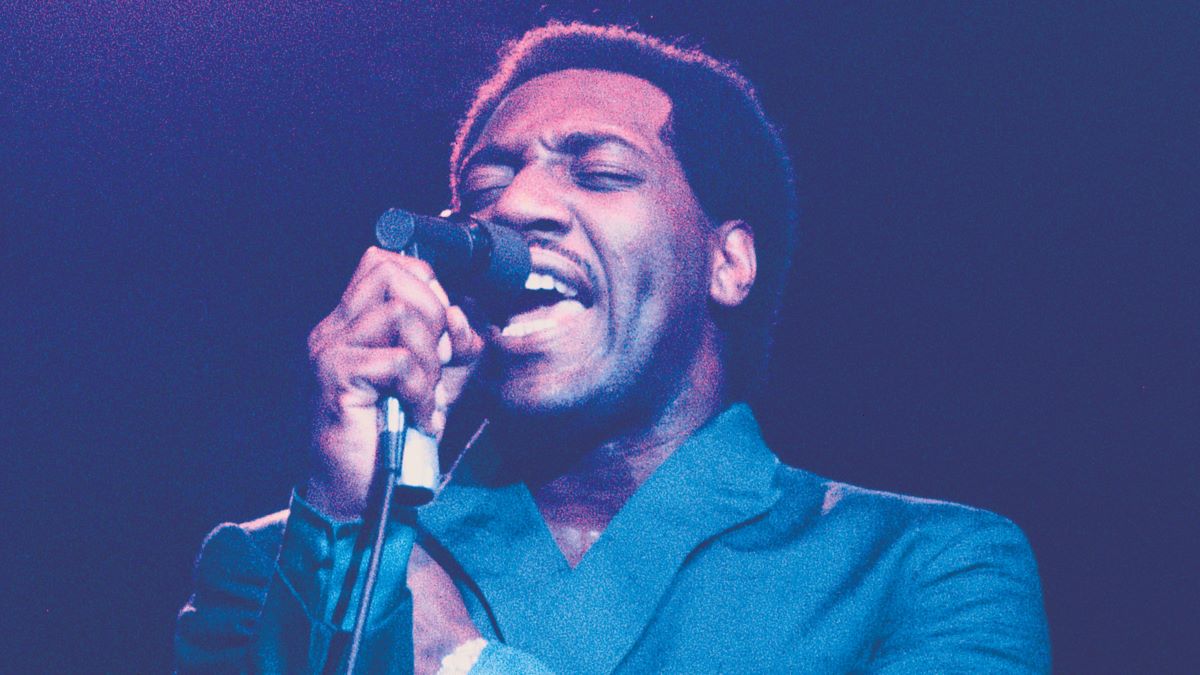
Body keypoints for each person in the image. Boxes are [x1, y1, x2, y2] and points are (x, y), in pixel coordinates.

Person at [176, 23, 1050, 673]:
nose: (515, 208)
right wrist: (351, 531)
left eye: (597, 172)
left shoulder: (925, 569)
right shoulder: (272, 563)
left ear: (728, 259)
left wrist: (461, 662)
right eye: (487, 183)